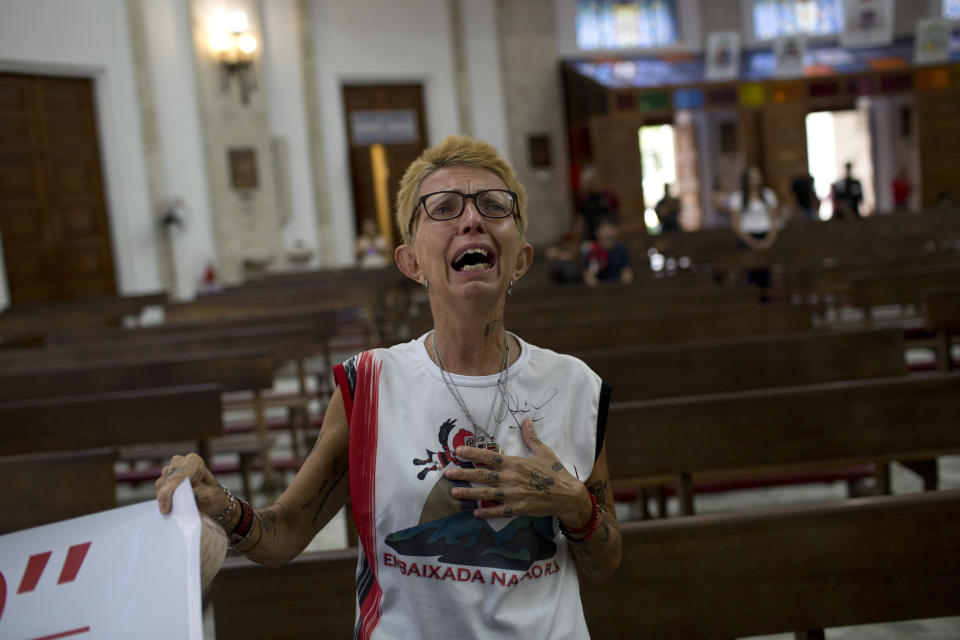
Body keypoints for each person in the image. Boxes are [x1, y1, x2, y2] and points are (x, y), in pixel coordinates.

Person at [155, 135, 621, 639]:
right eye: (443, 208)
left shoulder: (573, 385)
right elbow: (284, 534)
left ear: (522, 259)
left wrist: (572, 502)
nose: (472, 220)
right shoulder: (372, 384)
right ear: (411, 262)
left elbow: (604, 563)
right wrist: (217, 502)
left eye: (493, 205)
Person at [728, 166, 780, 299]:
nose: (755, 181)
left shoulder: (768, 195)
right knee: (750, 273)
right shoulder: (737, 197)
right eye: (752, 178)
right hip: (747, 239)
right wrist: (751, 241)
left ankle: (767, 301)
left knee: (767, 275)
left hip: (766, 237)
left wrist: (768, 240)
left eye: (757, 177)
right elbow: (736, 224)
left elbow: (774, 221)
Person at [582, 217, 633, 287]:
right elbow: (589, 277)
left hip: (620, 290)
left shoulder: (621, 250)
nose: (608, 231)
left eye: (611, 227)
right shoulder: (592, 252)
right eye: (604, 227)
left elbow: (627, 274)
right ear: (596, 231)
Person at [576, 165, 619, 242]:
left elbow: (617, 213)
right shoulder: (585, 199)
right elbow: (581, 219)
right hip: (591, 237)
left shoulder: (608, 195)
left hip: (608, 236)